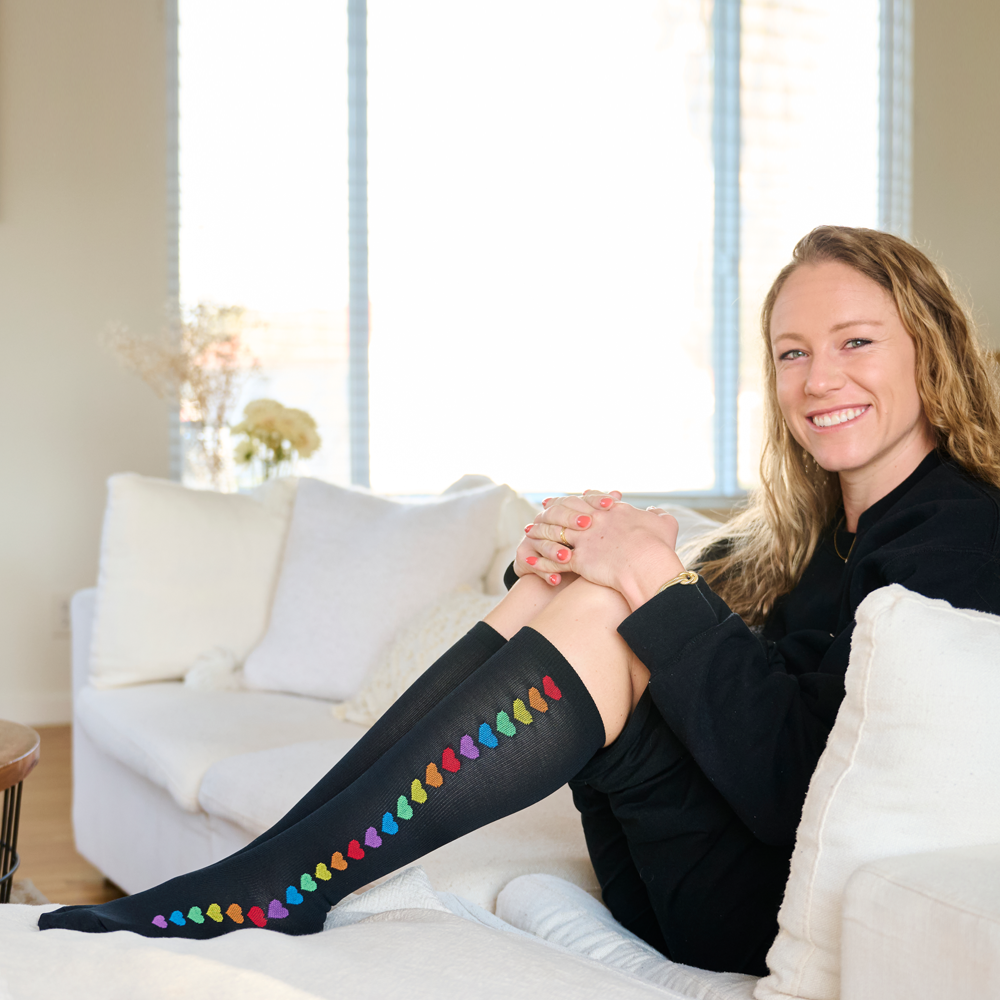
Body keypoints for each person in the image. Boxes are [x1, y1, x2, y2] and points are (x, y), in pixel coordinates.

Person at [39, 226, 1000, 976]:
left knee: (613, 603)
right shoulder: (821, 527)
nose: (819, 378)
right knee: (568, 588)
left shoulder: (958, 532)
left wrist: (650, 582)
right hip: (694, 865)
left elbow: (805, 786)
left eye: (855, 342)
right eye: (792, 353)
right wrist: (560, 568)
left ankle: (270, 884)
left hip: (764, 902)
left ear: (931, 350)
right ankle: (278, 870)